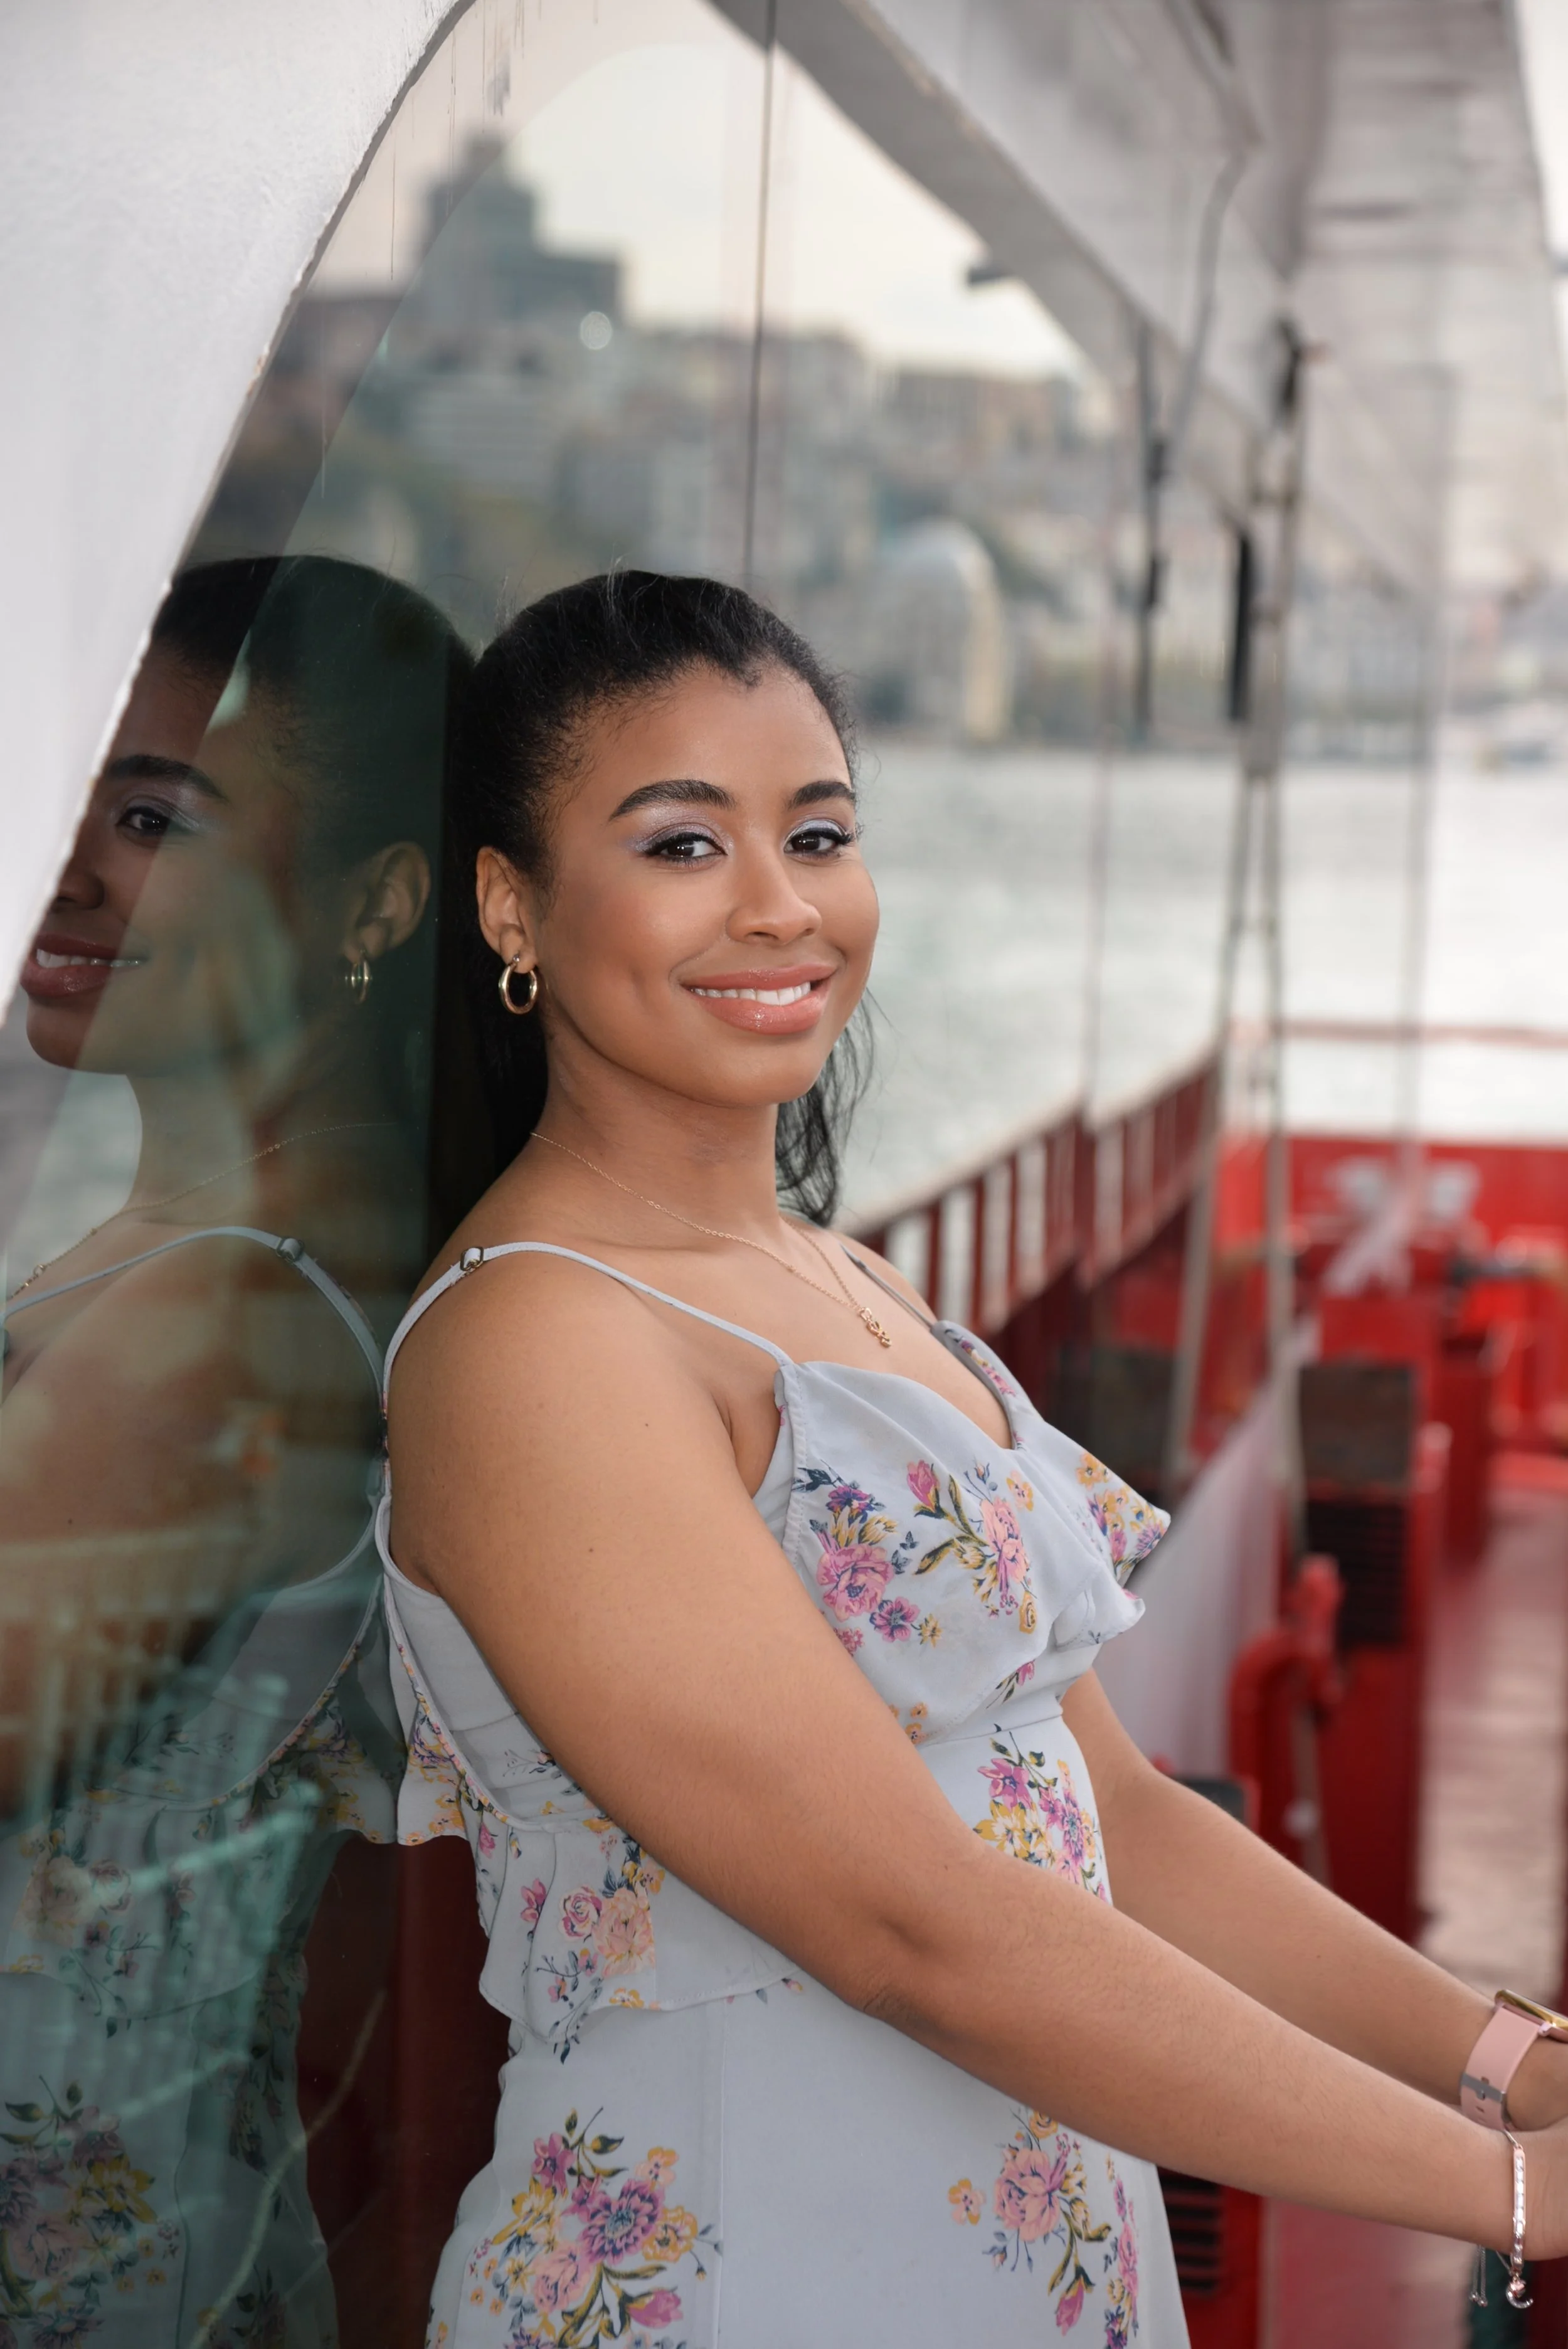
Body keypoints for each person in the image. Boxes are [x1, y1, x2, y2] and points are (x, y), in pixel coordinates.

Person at [383, 568, 1568, 2349]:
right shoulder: (533, 1344)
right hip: (741, 2274)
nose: (782, 908)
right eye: (684, 846)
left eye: (820, 830)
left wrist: (1505, 2059)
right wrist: (1507, 2197)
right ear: (511, 904)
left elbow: (1117, 1815)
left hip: (1020, 2270)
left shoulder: (847, 1284)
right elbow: (904, 1924)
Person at [0, 554, 471, 2346]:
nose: (68, 861)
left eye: (155, 813)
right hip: (169, 2222)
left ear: (377, 902)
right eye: (66, 786)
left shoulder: (217, 1319)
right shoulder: (246, 1254)